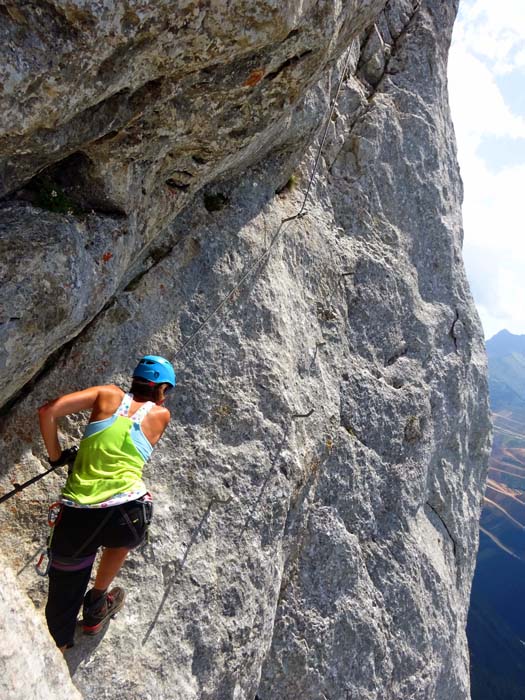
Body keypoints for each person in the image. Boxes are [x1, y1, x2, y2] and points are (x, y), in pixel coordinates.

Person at [37, 355, 174, 651]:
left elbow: (48, 411)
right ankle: (98, 601)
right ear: (162, 389)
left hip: (77, 517)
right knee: (123, 535)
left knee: (63, 595)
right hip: (126, 515)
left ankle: (59, 643)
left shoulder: (107, 394)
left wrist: (57, 457)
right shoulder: (161, 416)